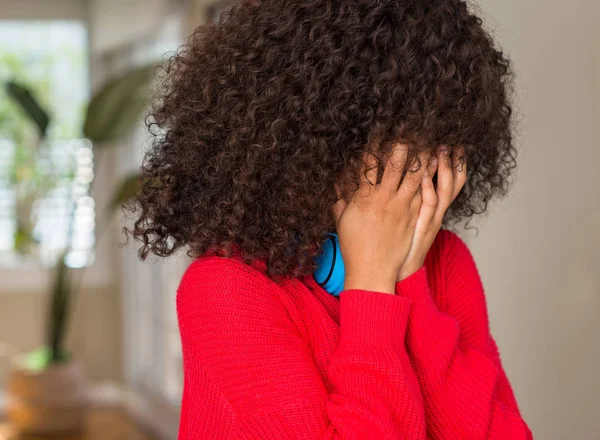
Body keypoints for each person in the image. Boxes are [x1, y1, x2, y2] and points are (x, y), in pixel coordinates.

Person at [128, 0, 533, 438]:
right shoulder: (226, 290)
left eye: (433, 142)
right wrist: (374, 282)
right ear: (310, 134)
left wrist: (409, 279)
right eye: (392, 142)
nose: (416, 168)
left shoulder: (444, 262)